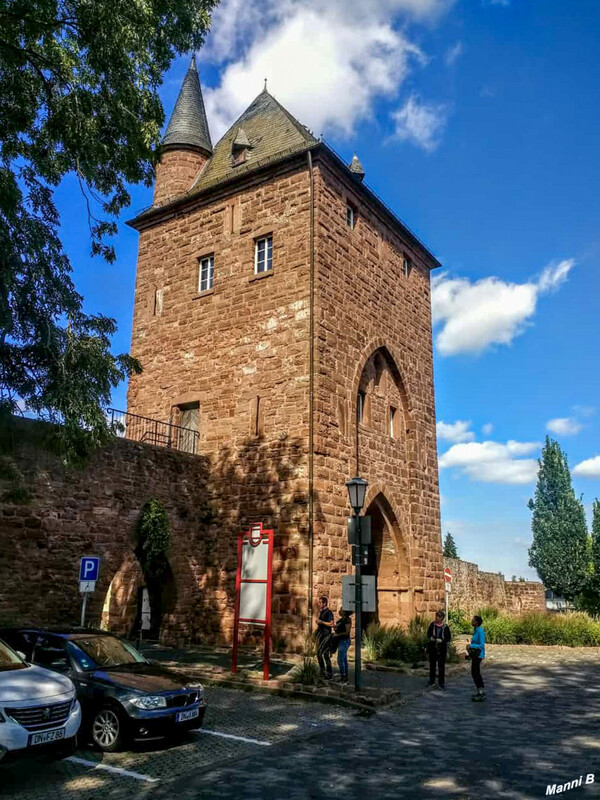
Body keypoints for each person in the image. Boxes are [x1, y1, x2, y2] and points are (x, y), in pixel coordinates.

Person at [427, 610, 451, 690]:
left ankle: (441, 683)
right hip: (433, 648)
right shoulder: (432, 625)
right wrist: (431, 638)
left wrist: (442, 641)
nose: (436, 618)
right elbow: (429, 633)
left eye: (438, 616)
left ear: (441, 618)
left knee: (441, 666)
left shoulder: (445, 627)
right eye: (436, 616)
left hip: (441, 649)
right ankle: (431, 681)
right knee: (432, 665)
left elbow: (448, 638)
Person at [331, 607, 352, 684]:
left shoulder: (347, 620)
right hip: (340, 641)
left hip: (344, 641)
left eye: (341, 610)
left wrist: (337, 635)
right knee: (344, 659)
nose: (339, 611)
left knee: (340, 659)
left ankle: (343, 675)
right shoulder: (341, 620)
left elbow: (347, 632)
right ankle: (345, 676)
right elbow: (337, 627)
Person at [467, 614, 486, 701]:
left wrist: (471, 645)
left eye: (473, 620)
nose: (472, 621)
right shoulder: (475, 630)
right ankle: (479, 691)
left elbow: (481, 644)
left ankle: (481, 692)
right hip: (475, 655)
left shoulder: (480, 631)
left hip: (479, 655)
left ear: (477, 622)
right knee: (474, 673)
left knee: (476, 673)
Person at [315, 596, 334, 679]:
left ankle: (329, 673)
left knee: (325, 654)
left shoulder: (329, 612)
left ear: (324, 603)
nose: (319, 604)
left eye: (320, 603)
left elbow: (332, 624)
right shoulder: (322, 611)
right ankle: (323, 671)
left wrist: (321, 622)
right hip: (320, 635)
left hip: (326, 635)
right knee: (319, 654)